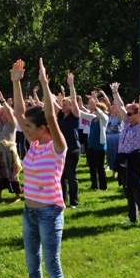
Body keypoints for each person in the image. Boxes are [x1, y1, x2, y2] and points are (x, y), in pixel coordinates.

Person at [11, 58, 67, 278]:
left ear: (43, 128)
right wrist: (16, 83)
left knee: (51, 263)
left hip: (49, 213)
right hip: (30, 211)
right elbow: (22, 113)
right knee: (32, 259)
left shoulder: (57, 146)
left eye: (31, 128)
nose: (26, 130)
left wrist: (45, 84)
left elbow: (52, 116)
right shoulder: (33, 145)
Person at [112, 83, 140, 229]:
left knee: (138, 192)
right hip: (124, 159)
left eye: (130, 114)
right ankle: (132, 218)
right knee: (128, 191)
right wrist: (115, 92)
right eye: (128, 113)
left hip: (135, 160)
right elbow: (120, 106)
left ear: (137, 115)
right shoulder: (126, 123)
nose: (127, 115)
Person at [58, 74, 81, 208]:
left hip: (72, 149)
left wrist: (71, 85)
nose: (63, 106)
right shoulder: (61, 114)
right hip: (61, 149)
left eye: (65, 104)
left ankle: (74, 202)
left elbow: (73, 100)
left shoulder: (74, 115)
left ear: (71, 106)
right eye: (62, 104)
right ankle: (62, 200)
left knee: (71, 176)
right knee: (61, 176)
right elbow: (50, 103)